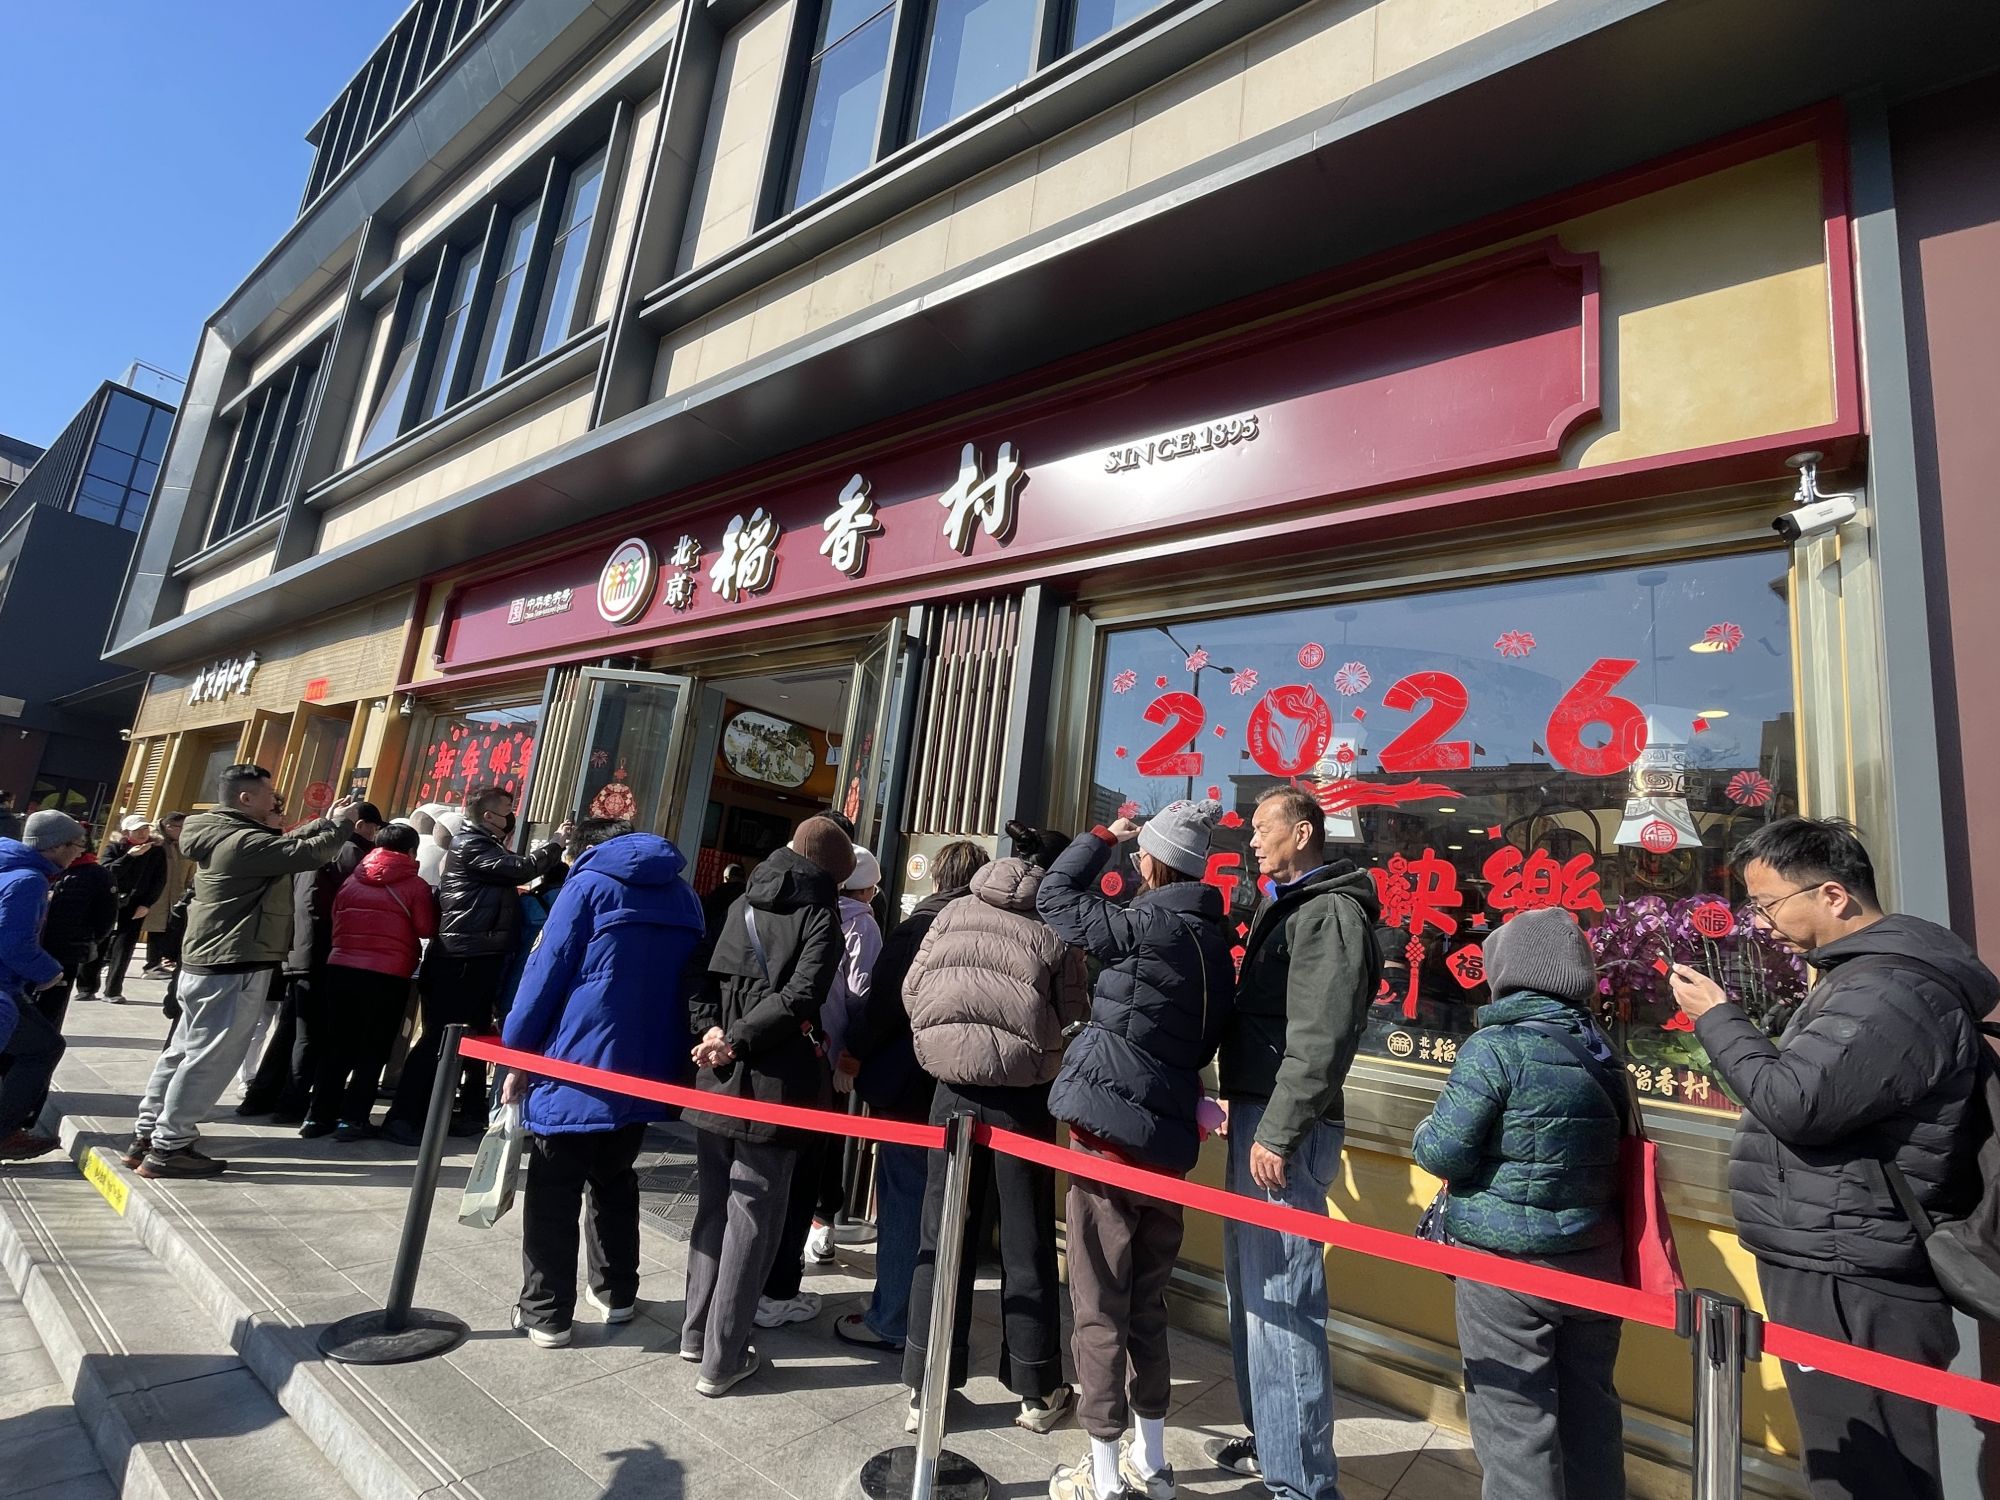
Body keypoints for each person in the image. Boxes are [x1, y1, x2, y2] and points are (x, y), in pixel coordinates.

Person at [1671, 817, 1990, 1500]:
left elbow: (1796, 1102)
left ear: (1834, 895)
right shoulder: (1861, 979)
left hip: (1853, 1267)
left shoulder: (1890, 990)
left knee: (1870, 1470)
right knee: (1849, 1457)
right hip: (1836, 1249)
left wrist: (1717, 1016)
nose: (1760, 924)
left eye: (1768, 904)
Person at [1037, 804, 1237, 1500]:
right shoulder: (1214, 944)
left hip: (1109, 1141)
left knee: (1098, 1308)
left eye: (1141, 852)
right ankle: (1151, 1462)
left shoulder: (1146, 923)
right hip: (1168, 1150)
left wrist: (1101, 837)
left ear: (1153, 860)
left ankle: (1101, 1474)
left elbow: (1054, 898)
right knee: (1147, 1308)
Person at [1412, 909, 1628, 1500]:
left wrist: (1424, 1128)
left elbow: (1442, 1152)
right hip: (1595, 1264)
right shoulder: (1604, 1050)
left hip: (1505, 1272)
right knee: (1592, 1422)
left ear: (1506, 972)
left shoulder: (1495, 1048)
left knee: (1515, 1428)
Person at [1209, 784, 1382, 1497]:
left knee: (1283, 1299)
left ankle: (1302, 1482)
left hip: (1283, 1127)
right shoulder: (1293, 904)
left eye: (1262, 828)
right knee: (1254, 1295)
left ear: (1304, 831)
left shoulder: (1330, 912)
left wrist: (1279, 1130)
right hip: (1261, 1116)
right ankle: (1274, 1446)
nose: (1251, 841)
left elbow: (1321, 1037)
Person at [900, 826, 1090, 1436]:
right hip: (1022, 1100)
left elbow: (912, 990)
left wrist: (948, 1043)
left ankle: (925, 1385)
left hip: (949, 1091)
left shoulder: (953, 911)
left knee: (941, 1235)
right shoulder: (1056, 923)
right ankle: (1036, 1388)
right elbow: (1075, 1014)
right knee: (1027, 1239)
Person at [502, 817, 703, 1347]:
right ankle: (616, 1292)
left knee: (554, 1185)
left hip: (577, 1057)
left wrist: (516, 1051)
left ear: (584, 849)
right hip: (648, 1065)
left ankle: (546, 1312)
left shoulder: (587, 885)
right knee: (615, 1176)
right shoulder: (685, 894)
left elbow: (545, 971)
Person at [120, 766, 366, 1179]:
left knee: (183, 1052)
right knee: (210, 1059)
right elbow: (306, 854)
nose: (276, 801)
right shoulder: (243, 843)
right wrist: (339, 826)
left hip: (209, 961)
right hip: (233, 963)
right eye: (270, 795)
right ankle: (170, 1145)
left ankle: (147, 1135)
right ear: (245, 799)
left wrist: (325, 822)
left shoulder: (220, 833)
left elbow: (284, 844)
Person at [681, 817, 849, 1397]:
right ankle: (722, 1359)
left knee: (712, 1208)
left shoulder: (740, 901)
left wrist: (711, 1032)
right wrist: (737, 1039)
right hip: (776, 1085)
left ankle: (694, 1334)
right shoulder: (821, 915)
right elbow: (803, 996)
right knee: (753, 1216)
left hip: (716, 1076)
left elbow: (699, 972)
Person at [836, 839, 991, 1354]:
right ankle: (934, 1321)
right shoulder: (988, 928)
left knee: (904, 1199)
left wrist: (853, 1052)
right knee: (946, 1205)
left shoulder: (919, 926)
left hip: (907, 1086)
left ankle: (893, 1318)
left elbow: (883, 1006)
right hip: (966, 1091)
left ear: (937, 877)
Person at [382, 786, 563, 1143]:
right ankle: (403, 1118)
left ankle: (462, 1112)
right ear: (489, 816)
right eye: (508, 809)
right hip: (461, 956)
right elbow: (520, 869)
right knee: (440, 1038)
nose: (512, 816)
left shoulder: (487, 845)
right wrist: (555, 843)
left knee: (473, 1037)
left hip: (479, 955)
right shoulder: (470, 845)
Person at [757, 846, 884, 1327]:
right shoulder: (862, 923)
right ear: (866, 888)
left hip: (781, 1047)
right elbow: (862, 992)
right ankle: (814, 1234)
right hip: (829, 1054)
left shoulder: (790, 907)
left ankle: (770, 1262)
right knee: (820, 1150)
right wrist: (852, 1053)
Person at [240, 802, 383, 1121]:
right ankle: (289, 1103)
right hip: (320, 950)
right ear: (360, 825)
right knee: (309, 1032)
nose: (375, 835)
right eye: (374, 828)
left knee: (290, 1028)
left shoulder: (315, 849)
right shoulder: (350, 852)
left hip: (299, 947)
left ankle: (261, 1095)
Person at [307, 822, 438, 1140]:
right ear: (411, 851)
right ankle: (352, 1120)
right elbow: (425, 928)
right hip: (388, 974)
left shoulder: (352, 880)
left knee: (337, 1044)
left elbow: (336, 917)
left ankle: (318, 1117)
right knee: (374, 1047)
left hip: (341, 967)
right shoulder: (416, 886)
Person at [0, 811, 88, 1157]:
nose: (79, 853)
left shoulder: (8, 865)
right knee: (43, 1048)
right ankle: (4, 1133)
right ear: (56, 846)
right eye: (77, 845)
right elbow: (13, 943)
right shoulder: (29, 880)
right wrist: (49, 972)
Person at [99, 816, 167, 1004]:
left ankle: (113, 991)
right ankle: (86, 987)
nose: (143, 833)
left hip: (136, 904)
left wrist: (147, 904)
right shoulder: (115, 848)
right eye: (137, 830)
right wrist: (129, 857)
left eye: (145, 829)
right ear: (126, 832)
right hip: (109, 900)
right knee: (100, 943)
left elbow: (159, 880)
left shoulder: (156, 851)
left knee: (124, 947)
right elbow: (107, 872)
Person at [141, 812, 192, 976]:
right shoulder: (154, 841)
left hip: (170, 894)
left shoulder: (176, 843)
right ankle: (150, 965)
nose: (184, 831)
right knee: (144, 929)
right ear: (169, 827)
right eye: (181, 827)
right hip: (152, 894)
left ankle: (155, 963)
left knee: (160, 930)